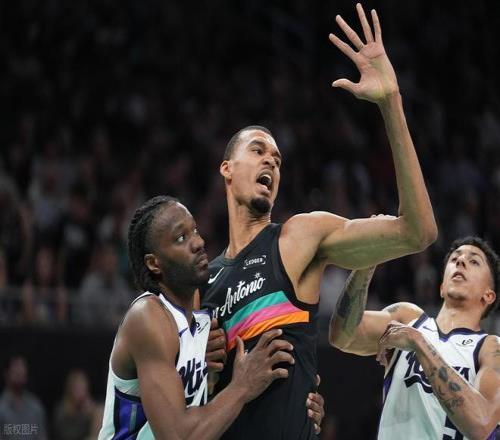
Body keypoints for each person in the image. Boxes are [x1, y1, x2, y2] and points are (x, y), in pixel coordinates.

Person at [200, 3, 437, 439]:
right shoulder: (204, 281)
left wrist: (391, 103)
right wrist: (212, 373)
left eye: (277, 159)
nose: (270, 160)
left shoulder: (299, 237)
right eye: (257, 150)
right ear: (226, 169)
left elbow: (417, 231)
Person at [98, 196, 295, 439]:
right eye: (181, 238)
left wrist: (300, 406)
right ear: (154, 263)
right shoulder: (147, 317)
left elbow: (210, 411)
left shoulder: (202, 319)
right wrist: (242, 386)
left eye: (195, 230)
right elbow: (178, 436)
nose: (199, 242)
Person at [329, 236, 500, 439]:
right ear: (442, 287)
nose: (461, 261)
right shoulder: (408, 318)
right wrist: (367, 263)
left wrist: (419, 343)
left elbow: (481, 426)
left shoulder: (490, 347)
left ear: (488, 295)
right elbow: (342, 336)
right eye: (455, 259)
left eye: (474, 261)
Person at [0, 355, 47, 440]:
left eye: (22, 368)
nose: (20, 371)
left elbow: (41, 436)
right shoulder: (2, 408)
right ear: (6, 374)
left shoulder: (35, 405)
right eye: (16, 368)